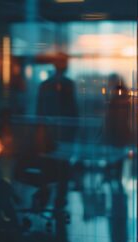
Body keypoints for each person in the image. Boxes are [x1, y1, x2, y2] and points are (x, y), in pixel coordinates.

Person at [31, 52, 79, 211]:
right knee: (61, 168)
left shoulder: (46, 85)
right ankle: (57, 199)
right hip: (60, 135)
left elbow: (39, 112)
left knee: (51, 168)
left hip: (52, 134)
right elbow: (73, 112)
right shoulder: (66, 85)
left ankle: (48, 199)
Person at [103, 74, 131, 186]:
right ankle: (115, 176)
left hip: (117, 130)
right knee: (118, 155)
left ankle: (110, 175)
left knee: (114, 153)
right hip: (120, 130)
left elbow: (113, 115)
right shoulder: (122, 96)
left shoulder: (117, 97)